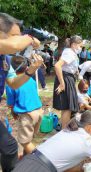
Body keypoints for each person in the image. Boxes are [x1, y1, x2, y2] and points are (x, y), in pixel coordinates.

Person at [13, 111, 91, 172]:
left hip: (27, 162)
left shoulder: (68, 130)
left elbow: (68, 164)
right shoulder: (86, 142)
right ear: (90, 127)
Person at [0, 12, 42, 172]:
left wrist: (31, 70)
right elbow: (16, 45)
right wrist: (31, 37)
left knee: (10, 147)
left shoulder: (5, 59)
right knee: (10, 146)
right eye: (14, 35)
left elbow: (13, 83)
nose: (19, 39)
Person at [6, 55, 43, 155]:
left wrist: (13, 111)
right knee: (30, 138)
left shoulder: (12, 84)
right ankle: (28, 156)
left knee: (25, 142)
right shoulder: (31, 80)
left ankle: (38, 160)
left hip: (27, 115)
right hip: (39, 112)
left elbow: (11, 104)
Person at [53, 35, 83, 129]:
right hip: (65, 79)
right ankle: (64, 131)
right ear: (74, 44)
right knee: (67, 107)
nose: (81, 48)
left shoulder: (71, 52)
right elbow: (57, 66)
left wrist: (76, 72)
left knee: (66, 106)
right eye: (80, 46)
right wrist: (62, 84)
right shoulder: (69, 52)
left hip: (68, 78)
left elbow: (70, 66)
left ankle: (64, 129)